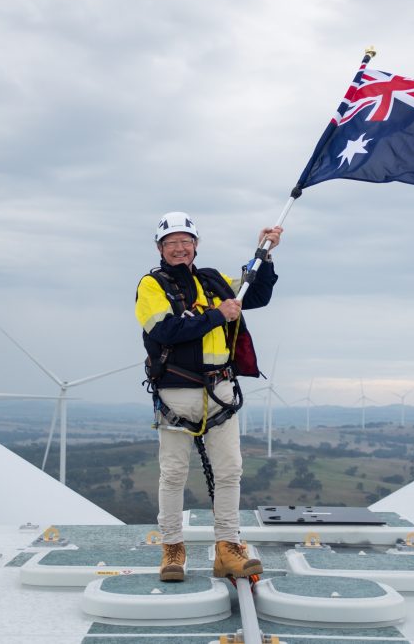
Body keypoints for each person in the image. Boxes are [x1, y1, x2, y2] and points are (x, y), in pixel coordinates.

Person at [135, 211, 281, 582]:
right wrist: (217, 315)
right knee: (173, 474)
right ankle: (172, 549)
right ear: (159, 248)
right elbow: (165, 330)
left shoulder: (214, 281)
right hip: (177, 393)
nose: (179, 248)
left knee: (230, 471)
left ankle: (228, 548)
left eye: (185, 242)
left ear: (196, 245)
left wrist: (263, 253)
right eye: (171, 243)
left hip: (219, 390)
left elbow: (255, 293)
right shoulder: (152, 286)